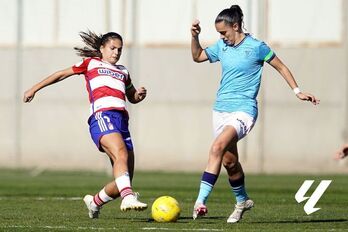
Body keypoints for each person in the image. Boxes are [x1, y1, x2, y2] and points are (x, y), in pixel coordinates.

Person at [190, 5, 319, 223]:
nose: (222, 37)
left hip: (244, 109)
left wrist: (297, 91)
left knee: (217, 147)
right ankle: (242, 201)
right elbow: (197, 56)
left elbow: (281, 67)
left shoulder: (257, 47)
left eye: (224, 32)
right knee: (229, 163)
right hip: (220, 109)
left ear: (236, 26)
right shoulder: (222, 46)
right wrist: (195, 37)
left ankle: (200, 201)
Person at [23, 30, 148, 219]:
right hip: (102, 117)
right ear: (102, 48)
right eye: (112, 48)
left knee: (124, 178)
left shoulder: (123, 72)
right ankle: (128, 197)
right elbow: (61, 74)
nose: (116, 52)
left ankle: (95, 202)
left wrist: (138, 95)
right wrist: (34, 89)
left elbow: (132, 97)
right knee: (121, 154)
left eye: (119, 50)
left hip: (122, 122)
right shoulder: (91, 63)